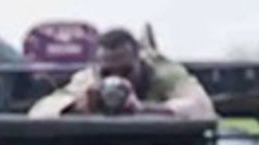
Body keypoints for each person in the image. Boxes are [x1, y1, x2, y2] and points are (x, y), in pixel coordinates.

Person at [29, 28, 215, 119]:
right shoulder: (90, 79)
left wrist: (146, 110)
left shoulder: (162, 72)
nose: (116, 79)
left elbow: (202, 108)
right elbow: (39, 113)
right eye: (108, 72)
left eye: (126, 71)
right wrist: (76, 107)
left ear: (140, 62)